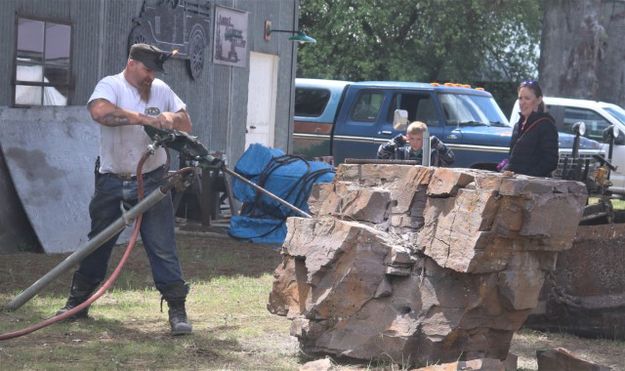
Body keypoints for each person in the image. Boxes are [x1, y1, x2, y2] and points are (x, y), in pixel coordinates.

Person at [56, 43, 194, 335]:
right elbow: (100, 112)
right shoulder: (111, 85)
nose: (151, 76)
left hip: (152, 179)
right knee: (98, 243)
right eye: (147, 70)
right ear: (131, 63)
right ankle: (77, 304)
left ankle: (177, 310)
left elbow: (186, 122)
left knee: (162, 246)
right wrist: (144, 118)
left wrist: (171, 119)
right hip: (112, 179)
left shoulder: (161, 90)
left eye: (154, 71)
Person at [503, 80, 558, 177]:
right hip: (513, 185)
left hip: (533, 186)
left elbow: (551, 161)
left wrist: (527, 177)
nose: (522, 102)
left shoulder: (546, 125)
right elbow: (513, 158)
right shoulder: (517, 125)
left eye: (527, 98)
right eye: (520, 98)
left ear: (539, 100)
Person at [376, 121, 454, 166]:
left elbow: (450, 159)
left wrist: (435, 142)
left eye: (419, 139)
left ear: (425, 139)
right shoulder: (400, 153)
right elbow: (381, 155)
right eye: (412, 138)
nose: (415, 142)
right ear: (407, 137)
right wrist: (396, 140)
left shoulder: (433, 155)